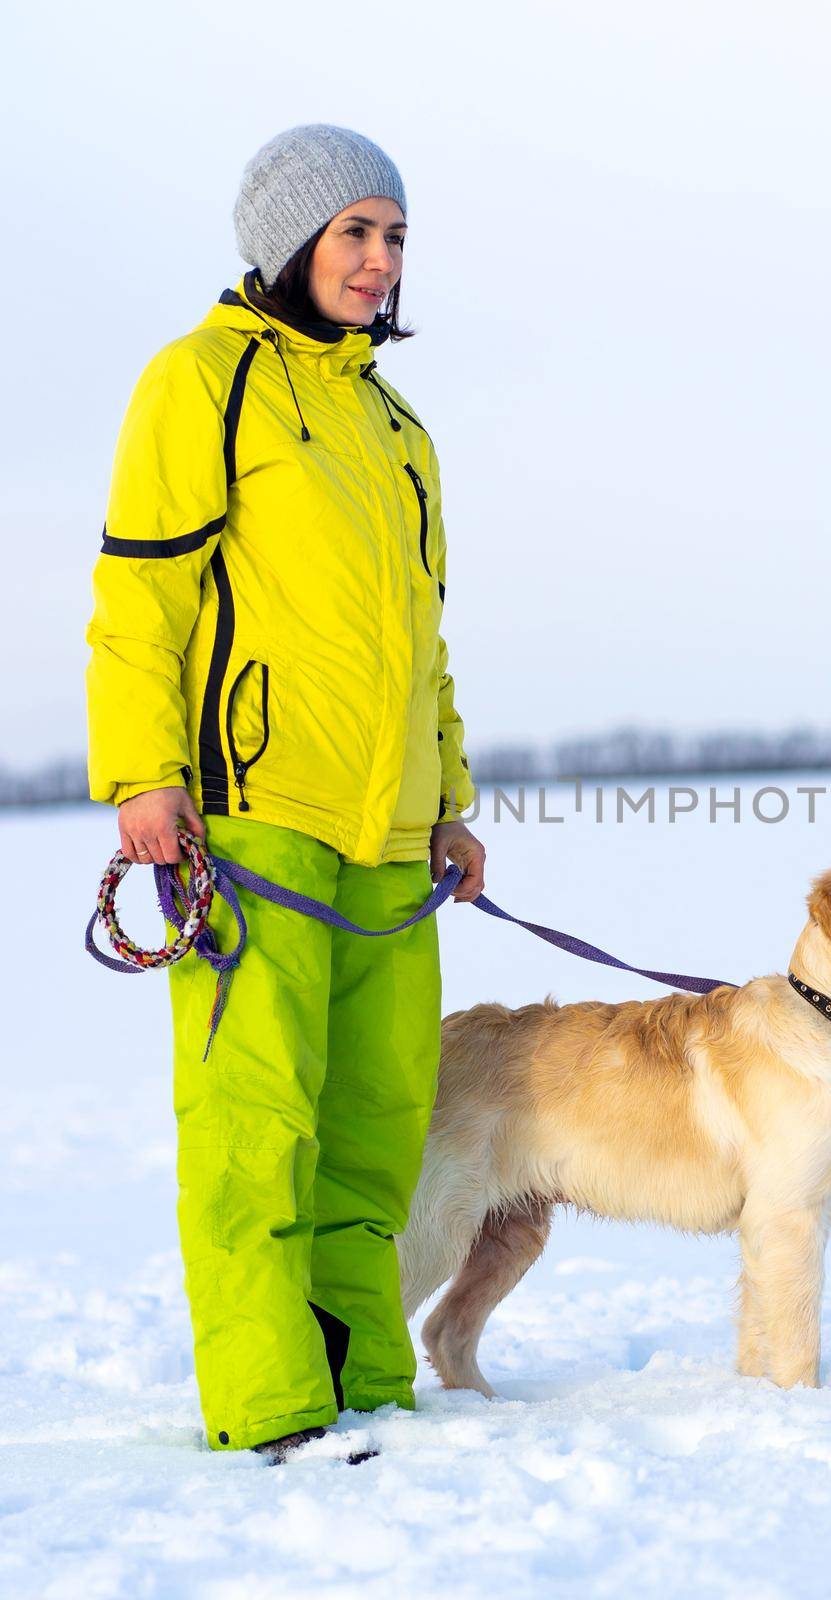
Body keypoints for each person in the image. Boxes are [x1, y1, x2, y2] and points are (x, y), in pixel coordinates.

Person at [84, 123, 486, 1465]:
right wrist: (145, 772)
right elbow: (141, 595)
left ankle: (367, 1384)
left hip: (387, 829)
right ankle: (267, 1407)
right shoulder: (201, 382)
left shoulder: (395, 421)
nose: (378, 263)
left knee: (374, 1128)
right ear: (288, 239)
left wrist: (450, 802)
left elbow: (421, 643)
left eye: (395, 237)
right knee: (257, 1122)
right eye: (354, 232)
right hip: (251, 815)